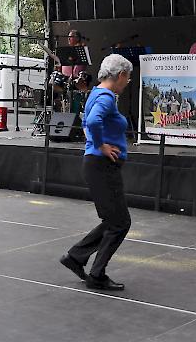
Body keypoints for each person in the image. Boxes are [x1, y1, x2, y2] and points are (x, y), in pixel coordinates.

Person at [59, 54, 133, 291]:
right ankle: (97, 274)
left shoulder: (96, 94)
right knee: (120, 223)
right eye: (128, 77)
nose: (128, 81)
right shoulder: (106, 97)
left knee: (113, 220)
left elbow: (88, 122)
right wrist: (101, 145)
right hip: (102, 166)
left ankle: (76, 256)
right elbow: (92, 122)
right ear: (120, 75)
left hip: (97, 165)